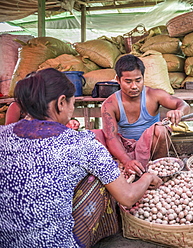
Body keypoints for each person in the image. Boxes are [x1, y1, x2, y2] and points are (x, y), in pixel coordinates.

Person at [0, 68, 162, 248]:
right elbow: (128, 197)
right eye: (72, 103)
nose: (72, 109)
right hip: (55, 244)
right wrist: (148, 177)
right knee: (98, 179)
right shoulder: (81, 143)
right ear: (61, 102)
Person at [93, 54, 190, 176]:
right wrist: (127, 161)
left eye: (138, 80)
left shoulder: (154, 95)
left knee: (161, 129)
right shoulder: (110, 104)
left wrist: (179, 111)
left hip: (150, 149)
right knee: (94, 135)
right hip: (124, 150)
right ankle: (124, 165)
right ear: (118, 80)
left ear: (143, 77)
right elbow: (111, 137)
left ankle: (158, 170)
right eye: (128, 81)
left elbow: (183, 104)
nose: (134, 86)